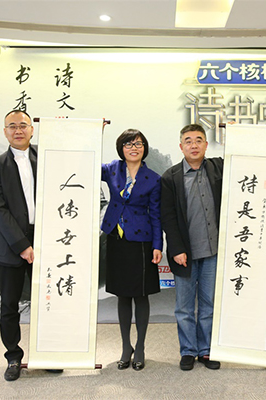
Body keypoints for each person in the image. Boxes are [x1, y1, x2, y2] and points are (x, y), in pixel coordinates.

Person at [0, 110, 61, 381]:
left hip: (47, 239)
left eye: (23, 125)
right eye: (12, 126)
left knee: (47, 302)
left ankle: (47, 354)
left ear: (32, 129)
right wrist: (22, 244)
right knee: (9, 304)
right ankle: (13, 357)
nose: (18, 130)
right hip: (12, 243)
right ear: (5, 131)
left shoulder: (48, 157)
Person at [161, 124, 223, 371]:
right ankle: (188, 350)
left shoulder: (218, 168)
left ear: (206, 145)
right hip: (184, 253)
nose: (194, 145)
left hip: (213, 251)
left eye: (199, 140)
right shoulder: (171, 177)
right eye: (188, 141)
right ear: (181, 146)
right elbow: (167, 217)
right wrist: (176, 249)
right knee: (184, 307)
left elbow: (242, 158)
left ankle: (206, 350)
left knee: (209, 304)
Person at [101, 129, 162, 371]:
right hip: (116, 238)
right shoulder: (111, 169)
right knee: (122, 295)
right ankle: (126, 347)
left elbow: (156, 215)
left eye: (138, 144)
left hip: (141, 241)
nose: (133, 148)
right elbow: (86, 164)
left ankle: (141, 346)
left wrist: (158, 245)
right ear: (121, 148)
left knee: (141, 295)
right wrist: (91, 133)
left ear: (144, 148)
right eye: (128, 144)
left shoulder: (153, 179)